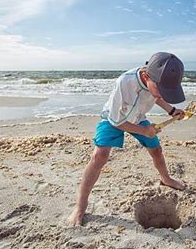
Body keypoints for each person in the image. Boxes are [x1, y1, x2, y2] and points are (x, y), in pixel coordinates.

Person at [68, 52, 187, 226]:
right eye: (162, 89)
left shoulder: (154, 81)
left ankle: (165, 178)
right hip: (114, 118)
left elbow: (157, 97)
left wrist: (171, 110)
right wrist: (144, 131)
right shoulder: (124, 82)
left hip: (138, 117)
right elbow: (117, 121)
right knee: (99, 156)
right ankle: (80, 206)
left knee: (156, 150)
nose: (163, 94)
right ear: (146, 76)